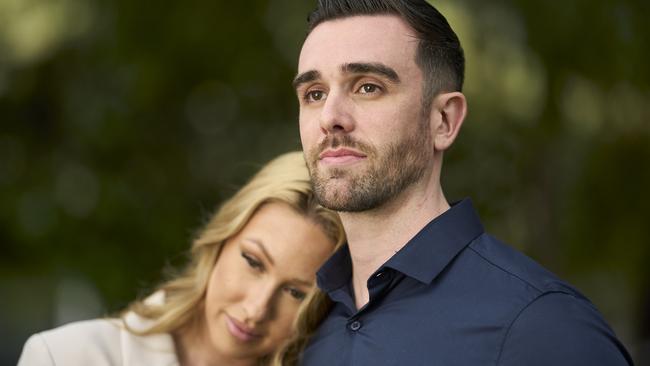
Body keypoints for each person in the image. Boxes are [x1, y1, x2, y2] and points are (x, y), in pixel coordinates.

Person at [292, 0, 634, 365]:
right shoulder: (304, 329)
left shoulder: (544, 327)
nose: (330, 117)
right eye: (314, 94)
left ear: (443, 120)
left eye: (368, 87)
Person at [17, 151, 345, 366]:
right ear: (221, 239)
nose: (256, 310)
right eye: (253, 262)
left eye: (295, 292)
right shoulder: (64, 357)